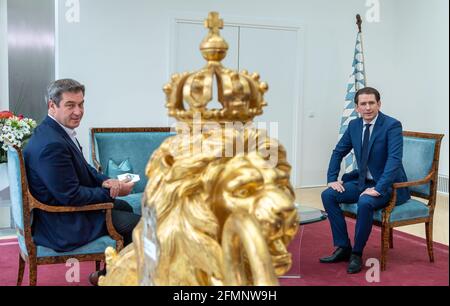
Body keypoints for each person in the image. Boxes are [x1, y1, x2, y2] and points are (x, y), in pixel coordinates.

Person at [24, 79, 141, 284]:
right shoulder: (52, 145)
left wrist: (107, 182)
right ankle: (120, 278)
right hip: (62, 223)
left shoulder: (54, 131)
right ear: (52, 105)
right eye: (70, 105)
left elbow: (84, 167)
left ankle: (109, 276)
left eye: (81, 104)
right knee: (140, 226)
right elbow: (71, 195)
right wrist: (113, 192)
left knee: (125, 208)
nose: (78, 111)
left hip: (61, 212)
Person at [320, 87, 410, 274]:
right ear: (357, 107)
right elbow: (338, 152)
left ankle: (357, 254)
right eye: (363, 104)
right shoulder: (353, 126)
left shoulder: (392, 125)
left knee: (365, 201)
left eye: (371, 103)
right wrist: (332, 179)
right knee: (328, 195)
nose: (368, 107)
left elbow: (394, 160)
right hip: (362, 182)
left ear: (379, 104)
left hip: (389, 185)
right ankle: (343, 247)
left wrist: (379, 188)